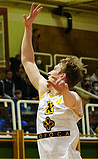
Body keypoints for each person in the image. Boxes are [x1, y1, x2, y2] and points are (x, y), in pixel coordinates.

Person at [21, 3, 84, 158]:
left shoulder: (73, 97)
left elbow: (71, 102)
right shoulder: (44, 91)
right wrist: (28, 28)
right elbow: (28, 60)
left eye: (54, 69)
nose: (48, 72)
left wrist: (65, 91)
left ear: (62, 76)